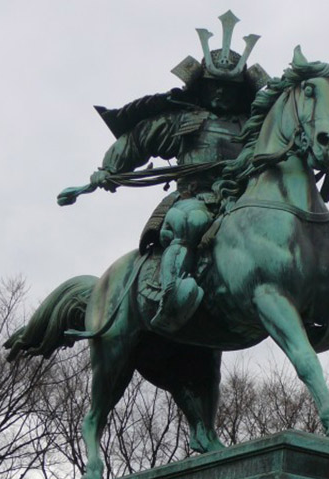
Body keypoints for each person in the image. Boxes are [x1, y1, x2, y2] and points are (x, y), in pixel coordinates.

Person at [87, 11, 269, 333]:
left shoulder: (253, 128)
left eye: (228, 88)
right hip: (195, 197)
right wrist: (109, 168)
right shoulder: (184, 120)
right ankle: (170, 298)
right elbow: (139, 139)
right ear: (202, 86)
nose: (220, 93)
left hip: (242, 201)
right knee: (189, 221)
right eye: (214, 86)